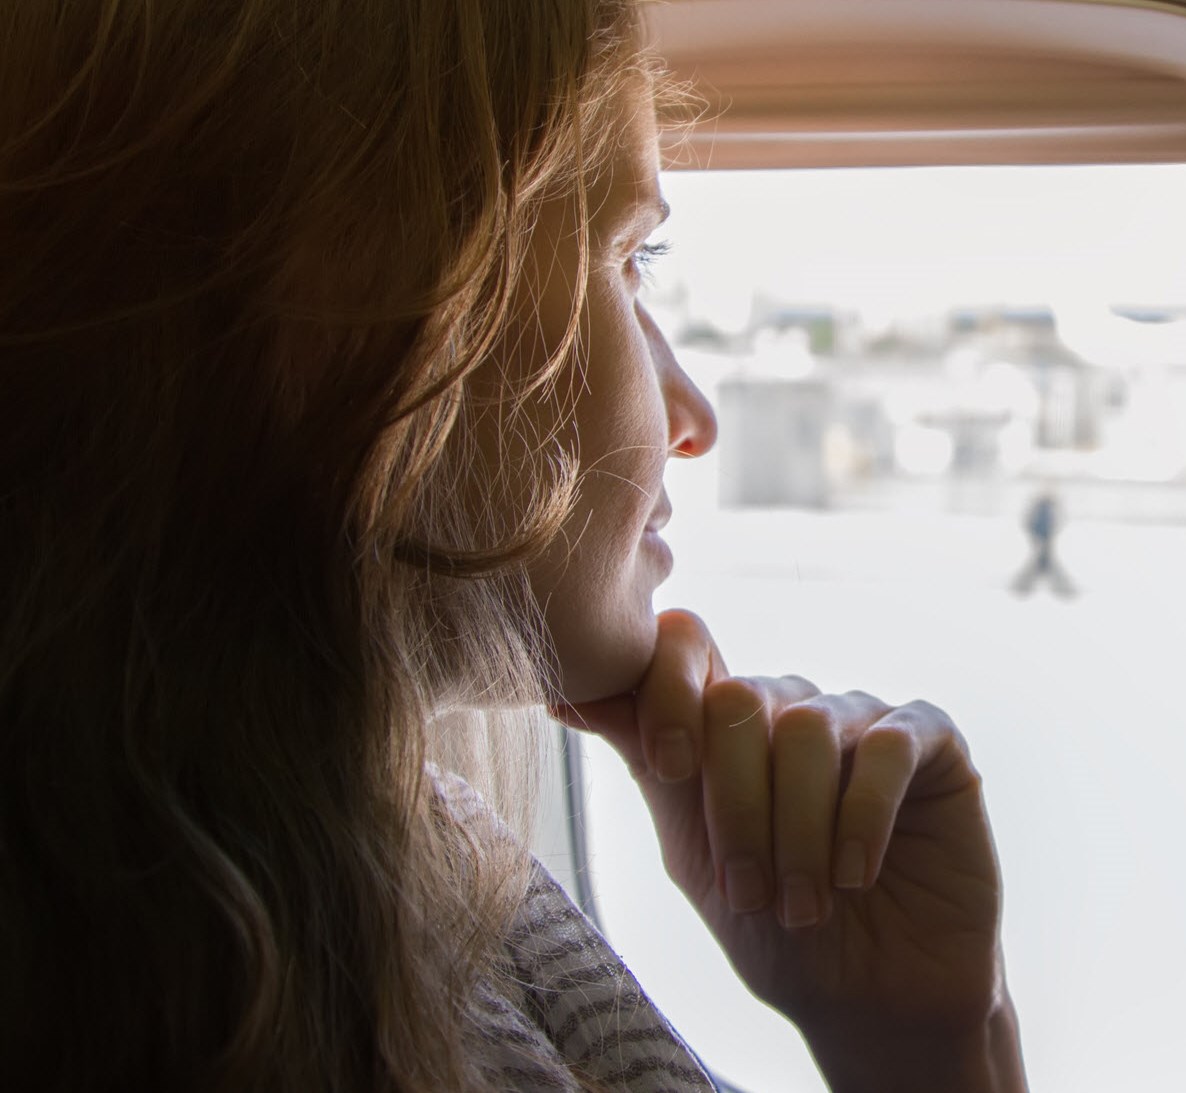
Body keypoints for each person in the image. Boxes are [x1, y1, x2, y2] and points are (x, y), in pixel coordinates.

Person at [0, 1, 1026, 1089]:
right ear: (367, 307)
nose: (692, 415)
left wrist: (926, 1037)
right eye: (629, 259)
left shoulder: (433, 868)